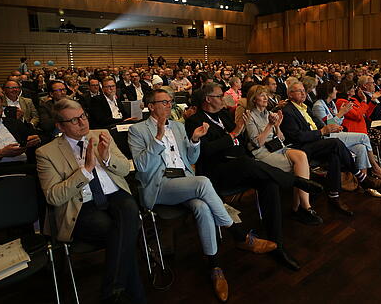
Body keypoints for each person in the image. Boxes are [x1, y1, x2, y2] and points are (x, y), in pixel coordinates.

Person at [129, 89, 277, 302]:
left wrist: (195, 141)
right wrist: (159, 137)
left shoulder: (179, 126)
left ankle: (214, 266)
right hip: (159, 185)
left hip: (184, 180)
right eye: (164, 102)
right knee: (203, 182)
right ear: (151, 106)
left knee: (202, 207)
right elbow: (142, 167)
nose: (169, 106)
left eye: (171, 102)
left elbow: (191, 158)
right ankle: (239, 235)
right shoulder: (138, 130)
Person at [185, 83, 324, 271]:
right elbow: (205, 151)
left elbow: (242, 143)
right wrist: (234, 134)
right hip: (217, 173)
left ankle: (277, 245)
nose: (224, 100)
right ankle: (295, 181)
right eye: (219, 96)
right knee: (249, 163)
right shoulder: (196, 120)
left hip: (241, 165)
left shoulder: (224, 116)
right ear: (208, 99)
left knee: (269, 183)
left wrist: (238, 137)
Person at [36, 99, 146, 304]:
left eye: (83, 116)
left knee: (130, 209)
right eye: (74, 120)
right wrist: (85, 171)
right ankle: (129, 295)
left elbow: (124, 169)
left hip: (114, 195)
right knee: (119, 233)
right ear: (60, 126)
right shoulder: (46, 152)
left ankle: (113, 292)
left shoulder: (101, 134)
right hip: (81, 205)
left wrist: (106, 159)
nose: (82, 123)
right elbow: (53, 196)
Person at [281, 81, 381, 209]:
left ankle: (334, 196)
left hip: (318, 141)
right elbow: (297, 137)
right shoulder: (288, 110)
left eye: (304, 90)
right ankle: (360, 175)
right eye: (299, 91)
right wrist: (322, 131)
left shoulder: (305, 106)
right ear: (290, 95)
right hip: (301, 148)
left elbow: (320, 125)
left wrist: (327, 128)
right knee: (336, 143)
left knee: (334, 153)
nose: (303, 93)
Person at [244, 85, 322, 225]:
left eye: (266, 95)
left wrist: (277, 125)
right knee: (299, 167)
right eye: (262, 95)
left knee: (301, 156)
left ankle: (299, 207)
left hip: (277, 147)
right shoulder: (250, 116)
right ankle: (303, 207)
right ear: (253, 99)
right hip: (261, 153)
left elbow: (281, 138)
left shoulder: (267, 113)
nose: (266, 98)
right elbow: (257, 143)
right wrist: (269, 126)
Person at [312, 81, 381, 183]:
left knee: (361, 148)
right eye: (334, 89)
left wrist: (339, 118)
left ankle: (364, 183)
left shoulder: (331, 103)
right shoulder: (319, 105)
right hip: (327, 137)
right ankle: (376, 168)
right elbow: (326, 126)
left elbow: (340, 121)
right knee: (364, 137)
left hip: (338, 132)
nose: (336, 91)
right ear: (328, 91)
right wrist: (341, 114)